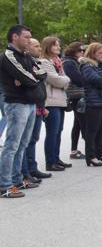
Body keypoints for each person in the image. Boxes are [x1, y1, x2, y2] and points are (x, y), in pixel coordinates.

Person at [0, 25, 47, 198]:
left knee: (22, 144)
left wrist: (29, 78)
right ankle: (4, 184)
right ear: (14, 37)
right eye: (26, 37)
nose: (29, 40)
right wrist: (29, 78)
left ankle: (17, 179)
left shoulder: (26, 56)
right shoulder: (8, 56)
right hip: (16, 104)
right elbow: (28, 78)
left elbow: (42, 73)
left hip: (30, 103)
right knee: (12, 145)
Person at [39, 36, 72, 171]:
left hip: (60, 100)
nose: (58, 47)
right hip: (51, 101)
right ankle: (50, 162)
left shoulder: (58, 61)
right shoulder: (44, 62)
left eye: (58, 45)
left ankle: (56, 158)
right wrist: (65, 80)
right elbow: (56, 80)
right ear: (48, 46)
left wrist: (64, 80)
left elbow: (63, 81)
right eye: (55, 45)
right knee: (52, 132)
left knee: (58, 131)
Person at [21, 39, 50, 182]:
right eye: (36, 46)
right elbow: (33, 79)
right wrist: (37, 75)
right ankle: (25, 172)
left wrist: (43, 107)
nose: (39, 49)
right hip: (28, 104)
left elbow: (42, 76)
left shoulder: (35, 62)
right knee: (25, 141)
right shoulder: (24, 61)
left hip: (38, 105)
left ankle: (32, 168)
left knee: (33, 139)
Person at [62, 42, 86, 160]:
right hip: (75, 96)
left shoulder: (75, 62)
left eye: (83, 50)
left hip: (79, 95)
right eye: (80, 50)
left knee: (78, 124)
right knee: (84, 124)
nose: (82, 52)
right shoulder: (69, 62)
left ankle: (74, 150)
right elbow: (79, 80)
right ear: (73, 51)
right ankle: (92, 150)